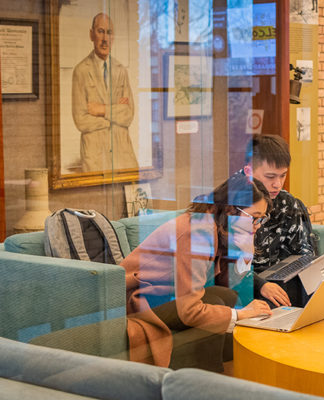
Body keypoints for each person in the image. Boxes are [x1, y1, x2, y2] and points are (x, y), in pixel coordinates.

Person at [120, 175, 280, 370]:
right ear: (231, 209)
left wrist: (244, 254)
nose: (256, 226)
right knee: (215, 300)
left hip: (167, 292)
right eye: (254, 217)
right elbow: (189, 310)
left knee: (225, 295)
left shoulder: (217, 225)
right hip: (140, 299)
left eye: (260, 219)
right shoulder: (197, 233)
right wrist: (241, 314)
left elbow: (226, 284)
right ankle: (207, 377)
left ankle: (218, 370)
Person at [240, 135, 315, 307]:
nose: (278, 184)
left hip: (280, 277)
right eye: (270, 177)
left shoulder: (288, 204)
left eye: (282, 176)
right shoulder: (233, 207)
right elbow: (229, 268)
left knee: (318, 288)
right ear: (248, 171)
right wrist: (261, 284)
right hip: (247, 281)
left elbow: (304, 252)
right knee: (274, 299)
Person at [72, 13, 138, 172]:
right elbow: (81, 120)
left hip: (122, 151)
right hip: (94, 153)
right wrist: (115, 116)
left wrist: (102, 110)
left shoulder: (120, 71)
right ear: (91, 35)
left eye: (109, 33)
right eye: (100, 31)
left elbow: (128, 114)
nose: (105, 39)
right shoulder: (81, 71)